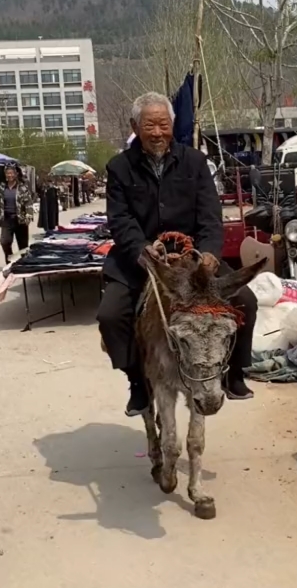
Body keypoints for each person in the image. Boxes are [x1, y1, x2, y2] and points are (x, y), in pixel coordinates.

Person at [97, 91, 258, 416]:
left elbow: (210, 215)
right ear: (135, 126)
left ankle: (235, 372)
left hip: (194, 260)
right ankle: (137, 381)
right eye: (149, 125)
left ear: (172, 125)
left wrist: (210, 252)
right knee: (111, 315)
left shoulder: (195, 162)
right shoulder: (119, 167)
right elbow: (120, 220)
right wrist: (143, 248)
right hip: (142, 260)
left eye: (163, 124)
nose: (157, 133)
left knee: (246, 302)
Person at [0, 165, 34, 263]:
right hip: (7, 219)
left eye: (12, 173)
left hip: (20, 219)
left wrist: (28, 216)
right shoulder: (1, 188)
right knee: (5, 242)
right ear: (5, 174)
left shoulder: (22, 187)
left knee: (23, 245)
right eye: (8, 173)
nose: (10, 175)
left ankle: (24, 264)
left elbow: (28, 202)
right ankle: (10, 261)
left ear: (16, 174)